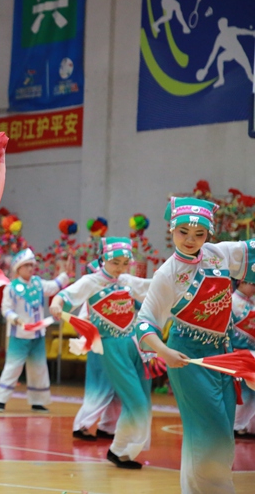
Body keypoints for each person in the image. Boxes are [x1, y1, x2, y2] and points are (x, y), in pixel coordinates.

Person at [134, 197, 254, 494]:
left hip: (223, 356)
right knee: (210, 432)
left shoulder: (219, 253)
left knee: (221, 431)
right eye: (183, 232)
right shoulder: (167, 273)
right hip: (187, 358)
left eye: (199, 234)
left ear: (208, 234)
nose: (190, 239)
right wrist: (164, 352)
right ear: (172, 231)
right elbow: (145, 323)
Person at [50, 238, 153, 469]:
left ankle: (123, 450)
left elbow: (152, 287)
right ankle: (119, 449)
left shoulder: (127, 280)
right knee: (135, 400)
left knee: (143, 399)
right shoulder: (92, 281)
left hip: (134, 344)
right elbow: (66, 295)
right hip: (110, 347)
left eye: (125, 263)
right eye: (115, 262)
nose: (120, 268)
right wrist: (56, 303)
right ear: (103, 259)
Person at [0, 248, 69, 413]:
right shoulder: (11, 288)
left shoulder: (38, 283)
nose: (30, 268)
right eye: (26, 265)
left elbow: (53, 286)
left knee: (39, 368)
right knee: (13, 367)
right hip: (19, 335)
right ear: (18, 268)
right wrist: (16, 319)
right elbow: (6, 309)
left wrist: (65, 274)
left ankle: (38, 402)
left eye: (31, 265)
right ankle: (1, 401)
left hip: (37, 335)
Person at [68, 261, 121, 442]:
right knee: (100, 389)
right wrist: (91, 338)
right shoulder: (93, 297)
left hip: (117, 348)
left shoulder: (120, 292)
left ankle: (108, 427)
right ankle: (82, 425)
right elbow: (82, 322)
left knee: (118, 389)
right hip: (100, 347)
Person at [231, 280, 255, 438]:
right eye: (253, 284)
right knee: (243, 391)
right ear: (241, 282)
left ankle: (245, 426)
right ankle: (236, 426)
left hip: (252, 353)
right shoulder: (231, 301)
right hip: (238, 353)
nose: (254, 288)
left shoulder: (252, 303)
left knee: (253, 392)